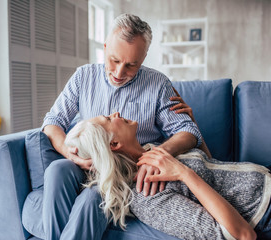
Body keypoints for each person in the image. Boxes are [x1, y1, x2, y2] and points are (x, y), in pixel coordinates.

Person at [41, 13, 203, 239]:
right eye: (114, 60)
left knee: (93, 198)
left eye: (131, 65)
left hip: (124, 172)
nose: (119, 73)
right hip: (85, 162)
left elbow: (188, 132)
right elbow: (52, 122)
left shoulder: (158, 84)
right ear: (105, 47)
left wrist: (156, 156)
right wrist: (71, 154)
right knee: (57, 170)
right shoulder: (83, 76)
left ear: (144, 57)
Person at [64, 112, 271, 240]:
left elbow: (212, 172)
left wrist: (193, 123)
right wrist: (183, 173)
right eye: (109, 119)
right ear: (114, 144)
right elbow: (242, 235)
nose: (116, 113)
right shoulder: (147, 194)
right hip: (265, 209)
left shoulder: (154, 151)